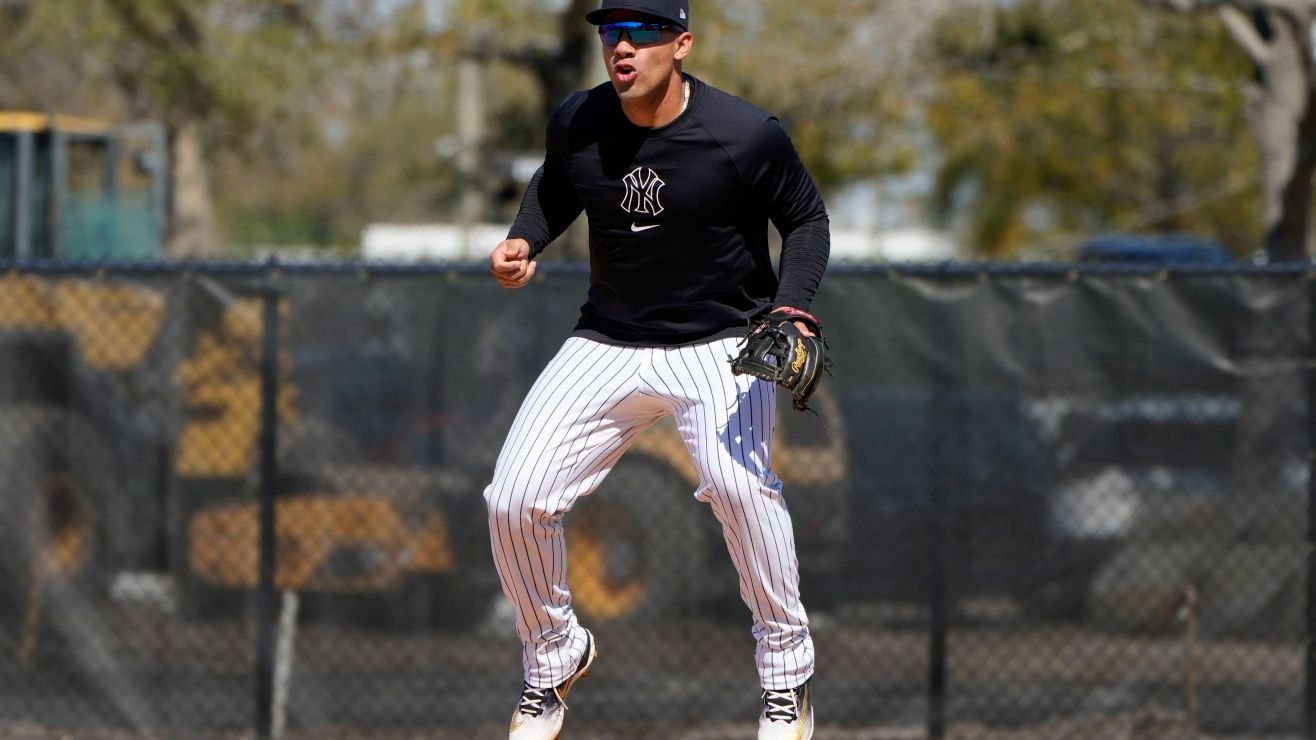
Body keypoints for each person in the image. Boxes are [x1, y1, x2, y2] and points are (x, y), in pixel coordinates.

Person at [484, 0, 829, 737]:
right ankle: (554, 658)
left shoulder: (743, 134)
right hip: (607, 340)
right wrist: (524, 240)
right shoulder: (580, 120)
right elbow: (555, 187)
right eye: (612, 33)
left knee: (739, 486)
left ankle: (787, 675)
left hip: (721, 342)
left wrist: (791, 308)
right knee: (512, 499)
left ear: (681, 43)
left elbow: (805, 218)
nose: (623, 47)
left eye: (642, 33)